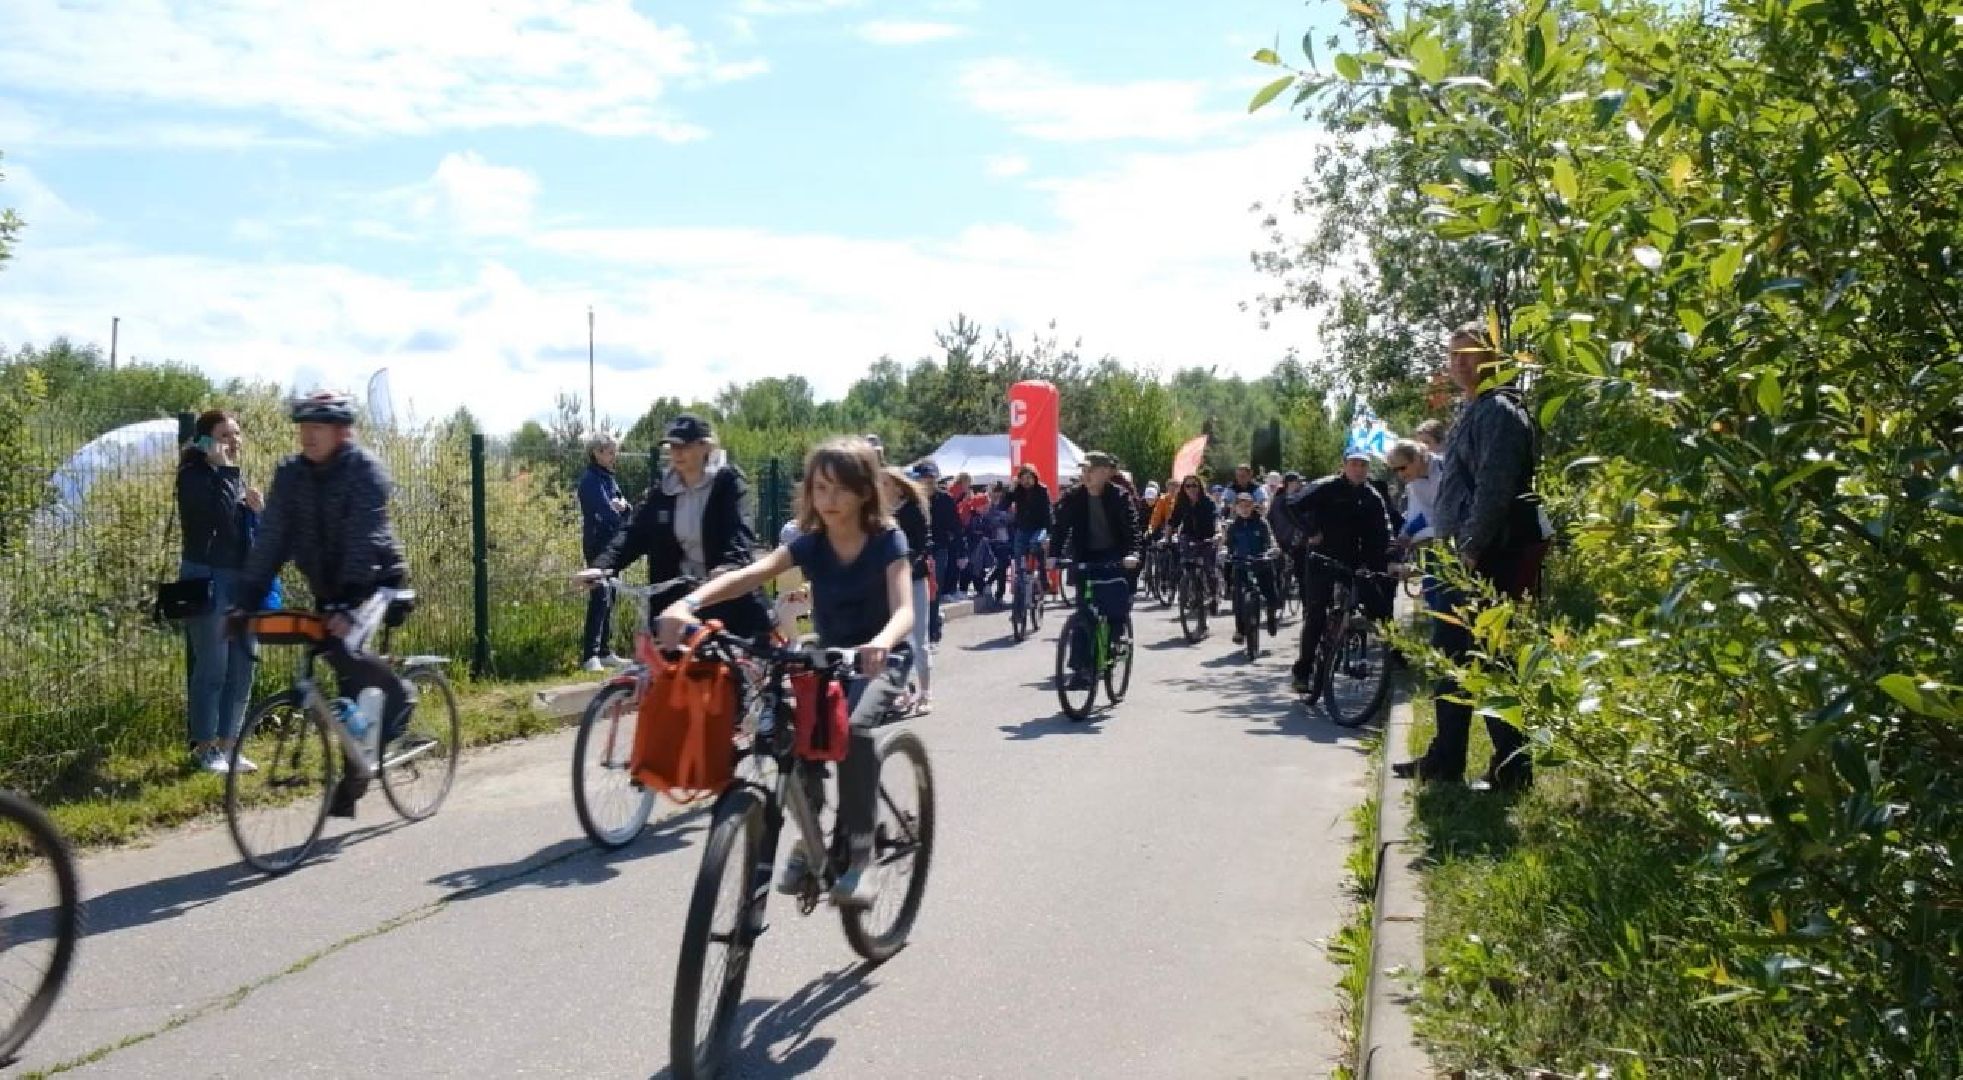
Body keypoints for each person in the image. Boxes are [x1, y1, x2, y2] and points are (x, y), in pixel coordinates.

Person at [655, 436, 913, 908]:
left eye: (838, 489)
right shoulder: (810, 545)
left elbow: (904, 609)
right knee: (794, 738)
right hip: (824, 657)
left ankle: (859, 859)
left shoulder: (886, 540)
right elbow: (752, 575)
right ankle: (812, 834)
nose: (827, 500)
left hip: (880, 658)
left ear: (862, 492)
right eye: (819, 489)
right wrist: (688, 603)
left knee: (853, 731)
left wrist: (881, 642)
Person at [235, 390, 413, 817]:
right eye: (304, 428)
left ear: (342, 432)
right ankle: (357, 772)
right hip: (329, 588)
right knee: (345, 684)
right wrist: (244, 600)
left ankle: (400, 692)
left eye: (318, 428)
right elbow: (273, 538)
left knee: (347, 648)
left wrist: (350, 604)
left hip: (376, 582)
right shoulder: (291, 475)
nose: (308, 436)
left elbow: (364, 536)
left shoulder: (364, 470)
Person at [1396, 324, 1543, 790]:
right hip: (1472, 555)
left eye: (1468, 354)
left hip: (1487, 557)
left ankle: (1512, 766)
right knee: (1456, 661)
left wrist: (1472, 550)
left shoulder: (1499, 410)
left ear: (1491, 357)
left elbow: (1493, 491)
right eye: (1452, 355)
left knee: (1483, 660)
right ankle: (1451, 758)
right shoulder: (1477, 408)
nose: (1458, 364)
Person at [577, 414, 773, 644]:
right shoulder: (664, 490)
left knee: (731, 674)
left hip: (727, 597)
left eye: (684, 445)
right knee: (664, 675)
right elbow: (634, 532)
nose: (676, 452)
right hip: (676, 606)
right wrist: (602, 567)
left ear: (705, 446)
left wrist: (729, 565)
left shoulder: (728, 483)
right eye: (672, 446)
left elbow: (739, 529)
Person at [178, 409, 264, 773]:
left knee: (243, 665)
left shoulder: (236, 478)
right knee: (213, 667)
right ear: (205, 440)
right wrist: (224, 471)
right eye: (226, 435)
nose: (234, 441)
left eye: (237, 434)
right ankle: (205, 748)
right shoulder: (192, 477)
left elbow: (245, 536)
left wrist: (258, 512)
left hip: (240, 581)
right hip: (207, 577)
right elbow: (217, 522)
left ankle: (230, 745)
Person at [1280, 450, 1392, 694]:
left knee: (1376, 606)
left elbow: (1383, 532)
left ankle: (1394, 656)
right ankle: (1303, 672)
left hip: (1352, 563)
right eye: (1354, 464)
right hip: (1321, 559)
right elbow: (1290, 505)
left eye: (1363, 465)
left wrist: (1386, 559)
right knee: (1316, 615)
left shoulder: (1372, 496)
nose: (1359, 469)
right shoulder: (1326, 486)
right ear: (1344, 466)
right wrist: (1310, 531)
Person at [1048, 452, 1140, 688]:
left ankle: (1117, 639)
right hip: (1085, 556)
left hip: (1114, 556)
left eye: (1090, 470)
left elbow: (1132, 529)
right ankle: (1081, 670)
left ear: (1105, 472)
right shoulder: (1074, 496)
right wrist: (1053, 555)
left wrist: (1132, 554)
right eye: (1083, 471)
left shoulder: (1119, 496)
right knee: (1083, 614)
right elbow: (1059, 527)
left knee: (1114, 605)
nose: (1085, 475)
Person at [576, 433, 633, 672]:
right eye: (609, 452)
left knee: (611, 595)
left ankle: (605, 651)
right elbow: (606, 511)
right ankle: (590, 655)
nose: (614, 456)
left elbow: (625, 507)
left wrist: (625, 508)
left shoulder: (609, 478)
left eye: (614, 451)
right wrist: (620, 510)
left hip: (612, 544)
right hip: (597, 544)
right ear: (596, 453)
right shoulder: (590, 480)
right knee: (600, 594)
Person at [884, 466, 935, 713]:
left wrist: (905, 565)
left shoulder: (913, 509)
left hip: (914, 579)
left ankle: (926, 693)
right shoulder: (879, 515)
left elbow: (925, 543)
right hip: (886, 583)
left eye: (884, 484)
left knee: (918, 638)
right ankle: (902, 691)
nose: (879, 488)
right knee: (895, 639)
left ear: (897, 486)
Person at [1222, 491, 1281, 643]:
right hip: (1241, 564)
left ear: (1252, 506)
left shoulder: (1261, 523)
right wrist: (1225, 553)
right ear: (1235, 508)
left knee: (1271, 594)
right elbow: (1228, 545)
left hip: (1261, 563)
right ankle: (1240, 631)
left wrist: (1272, 550)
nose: (1244, 509)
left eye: (1247, 505)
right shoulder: (1233, 526)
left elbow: (1271, 541)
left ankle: (1271, 616)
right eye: (1241, 506)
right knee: (1239, 599)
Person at [918, 461, 960, 641]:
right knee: (918, 590)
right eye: (924, 478)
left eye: (931, 478)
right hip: (917, 550)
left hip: (939, 549)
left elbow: (956, 526)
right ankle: (923, 626)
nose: (928, 482)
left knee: (933, 590)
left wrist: (961, 552)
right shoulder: (912, 499)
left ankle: (932, 627)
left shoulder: (945, 499)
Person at [1167, 474, 1221, 605]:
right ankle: (1189, 589)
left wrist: (1217, 534)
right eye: (1188, 486)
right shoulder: (1181, 502)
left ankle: (1214, 596)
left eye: (1194, 485)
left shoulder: (1208, 502)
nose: (1191, 488)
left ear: (1200, 487)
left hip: (1207, 537)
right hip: (1189, 536)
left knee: (1209, 569)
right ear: (1184, 488)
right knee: (1186, 563)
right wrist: (1167, 537)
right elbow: (1173, 521)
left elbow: (1216, 519)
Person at [1006, 463, 1053, 596]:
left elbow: (1048, 513)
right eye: (1023, 478)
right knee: (1019, 554)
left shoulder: (1042, 490)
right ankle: (1021, 588)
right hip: (1023, 527)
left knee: (1036, 544)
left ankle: (1043, 577)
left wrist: (1049, 533)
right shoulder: (1017, 490)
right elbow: (1004, 505)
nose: (1026, 481)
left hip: (1039, 526)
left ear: (1034, 477)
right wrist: (1010, 490)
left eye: (1028, 478)